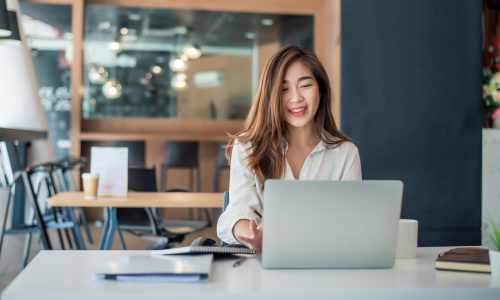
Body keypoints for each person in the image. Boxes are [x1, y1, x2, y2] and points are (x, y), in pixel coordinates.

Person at [217, 45, 362, 251]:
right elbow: (239, 212)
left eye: (305, 85)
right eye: (284, 89)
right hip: (265, 267)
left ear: (320, 89)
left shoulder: (345, 153)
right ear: (271, 95)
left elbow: (352, 222)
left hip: (327, 264)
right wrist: (255, 236)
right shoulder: (249, 147)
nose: (296, 98)